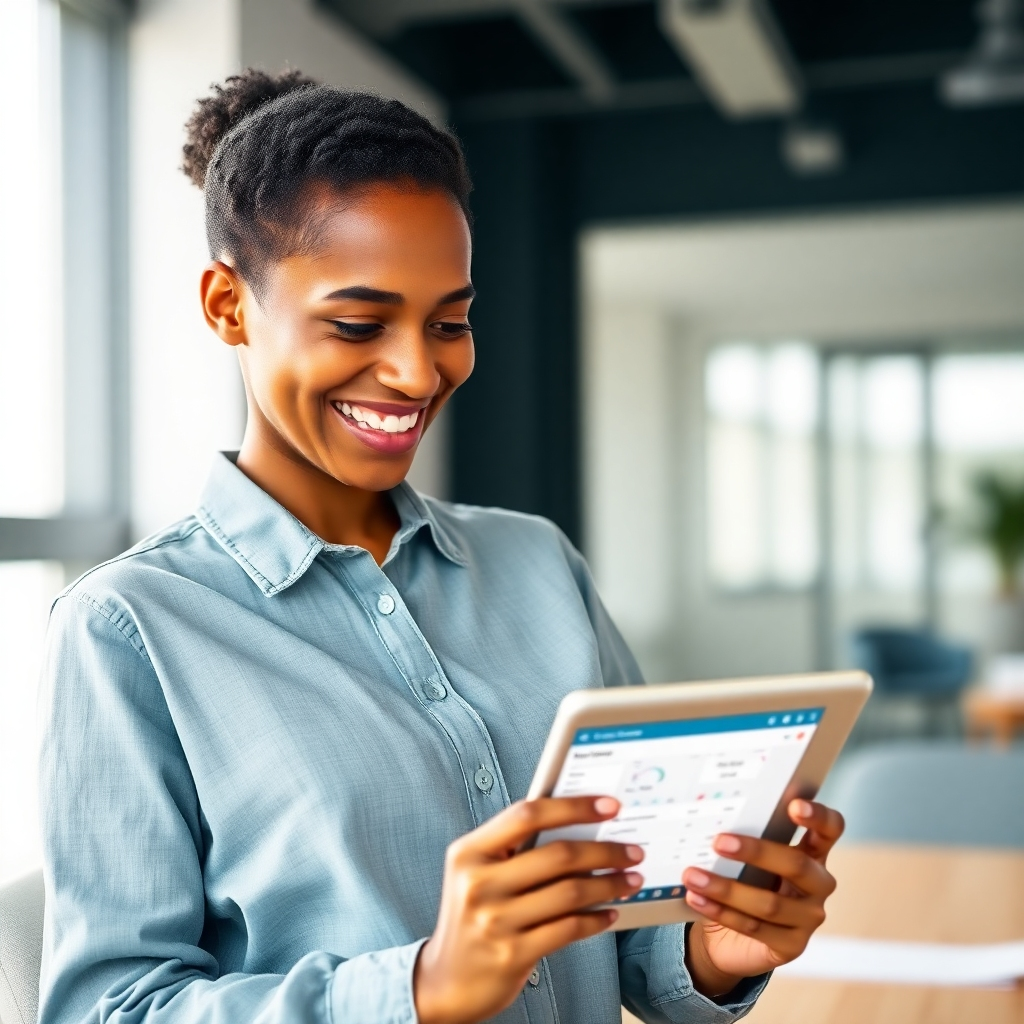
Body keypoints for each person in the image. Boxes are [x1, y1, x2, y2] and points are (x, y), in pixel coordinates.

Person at [38, 70, 843, 1024]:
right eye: (357, 323)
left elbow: (632, 929)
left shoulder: (538, 565)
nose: (419, 371)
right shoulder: (132, 628)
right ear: (226, 305)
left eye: (451, 321)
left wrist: (713, 948)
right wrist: (418, 989)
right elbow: (108, 1009)